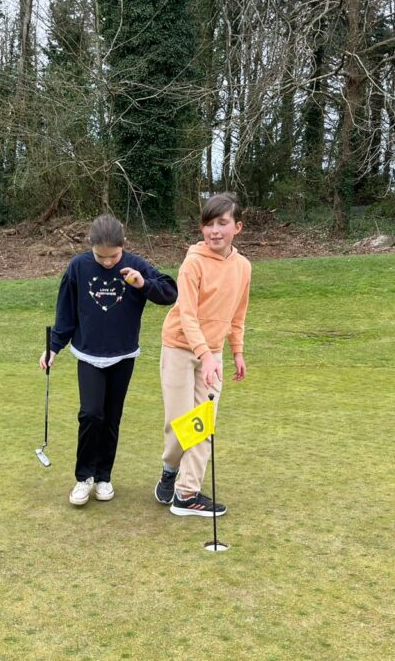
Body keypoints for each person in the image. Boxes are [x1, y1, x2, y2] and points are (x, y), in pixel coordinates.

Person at [41, 214, 178, 506]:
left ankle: (104, 477)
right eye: (100, 256)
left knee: (111, 417)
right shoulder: (78, 266)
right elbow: (66, 311)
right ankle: (84, 478)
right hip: (89, 355)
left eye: (113, 256)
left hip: (123, 355)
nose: (107, 262)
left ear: (123, 245)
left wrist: (142, 283)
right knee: (91, 414)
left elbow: (169, 292)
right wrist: (53, 347)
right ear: (90, 246)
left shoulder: (136, 265)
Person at [155, 193, 251, 517]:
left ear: (237, 227)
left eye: (222, 223)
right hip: (179, 348)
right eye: (209, 224)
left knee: (202, 423)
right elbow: (187, 315)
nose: (214, 231)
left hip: (214, 354)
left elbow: (238, 314)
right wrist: (204, 354)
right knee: (179, 425)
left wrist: (236, 351)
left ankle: (186, 493)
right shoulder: (193, 263)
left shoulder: (243, 268)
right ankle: (170, 470)